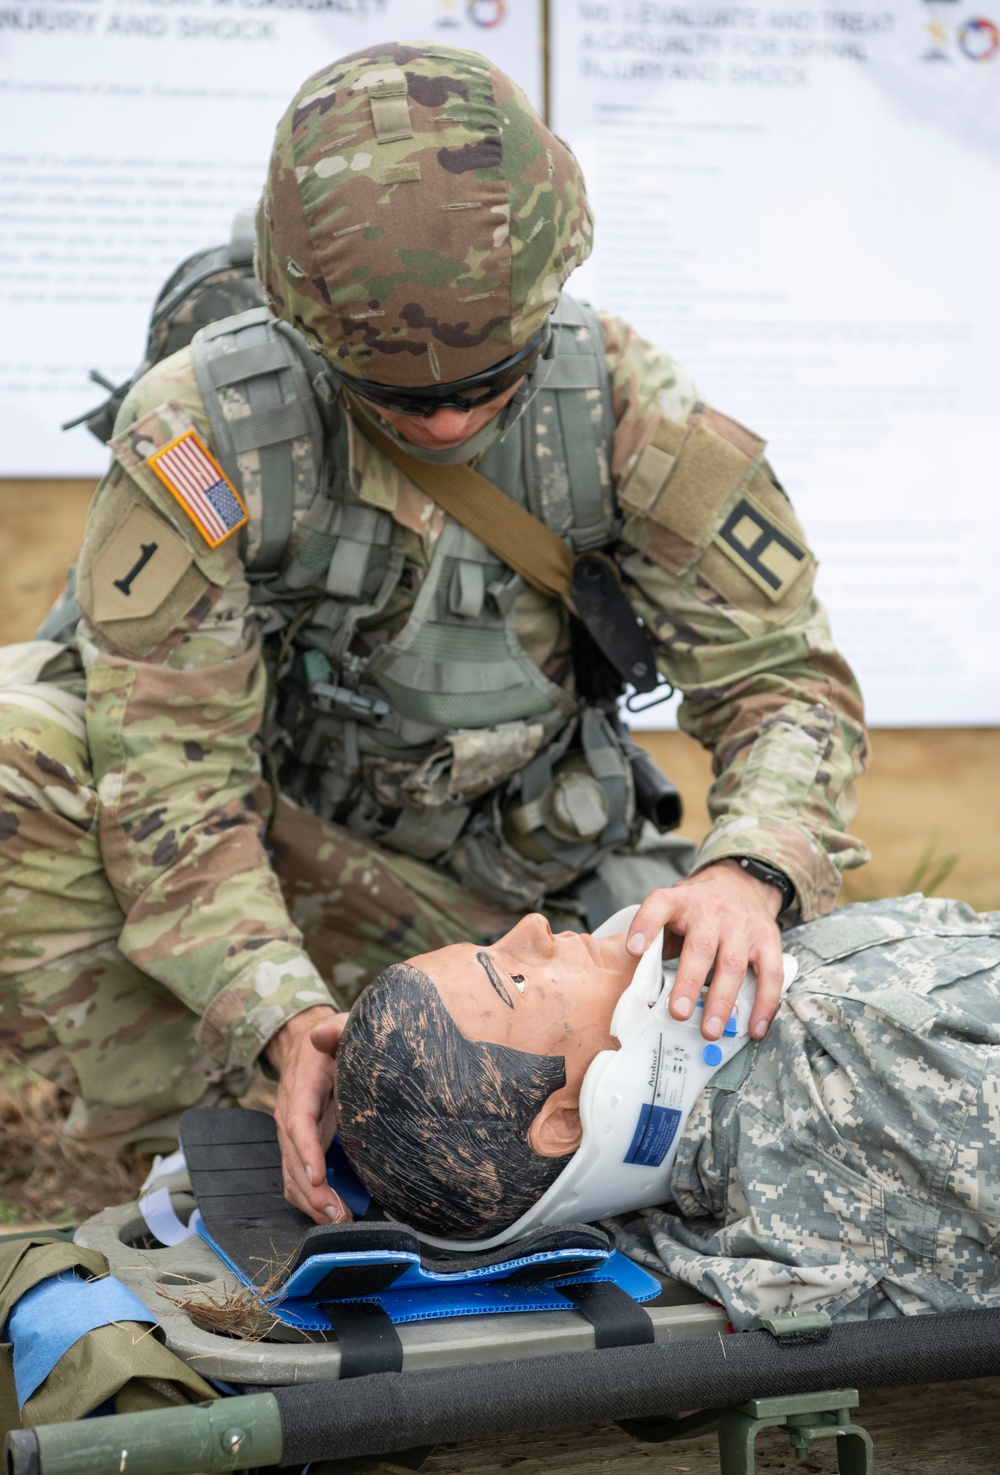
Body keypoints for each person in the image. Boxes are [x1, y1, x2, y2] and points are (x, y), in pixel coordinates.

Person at [0, 42, 869, 1228]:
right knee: (20, 744)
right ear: (303, 321)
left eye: (491, 375)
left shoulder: (624, 412)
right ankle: (237, 1160)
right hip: (281, 873)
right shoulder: (205, 433)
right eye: (401, 396)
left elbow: (781, 678)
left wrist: (749, 866)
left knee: (829, 1020)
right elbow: (172, 781)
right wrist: (277, 1014)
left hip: (522, 930)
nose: (452, 415)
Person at [334, 894, 1000, 1328]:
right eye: (512, 975)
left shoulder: (682, 1220)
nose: (533, 926)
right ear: (565, 1120)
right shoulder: (857, 1073)